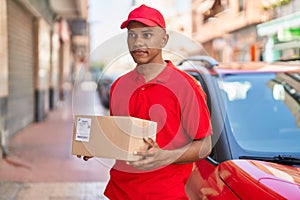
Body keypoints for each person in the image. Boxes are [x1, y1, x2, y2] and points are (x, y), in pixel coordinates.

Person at [80, 4, 212, 199]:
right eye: (132, 35)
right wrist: (97, 145)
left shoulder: (186, 86)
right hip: (119, 192)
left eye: (147, 35)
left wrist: (166, 156)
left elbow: (205, 145)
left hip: (166, 194)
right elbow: (123, 138)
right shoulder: (118, 86)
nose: (138, 42)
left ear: (164, 39)